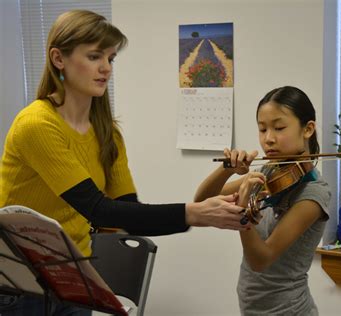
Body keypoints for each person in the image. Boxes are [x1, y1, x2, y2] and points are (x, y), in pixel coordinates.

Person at [0, 10, 247, 316]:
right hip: (20, 285)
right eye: (93, 56)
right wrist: (194, 214)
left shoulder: (107, 132)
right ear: (58, 59)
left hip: (71, 279)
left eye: (111, 58)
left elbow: (126, 212)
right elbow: (97, 209)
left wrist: (205, 207)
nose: (105, 68)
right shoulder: (36, 125)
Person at [195, 86, 331, 315]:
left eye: (279, 128)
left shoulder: (313, 194)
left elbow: (261, 260)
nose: (268, 139)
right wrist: (228, 169)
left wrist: (242, 213)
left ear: (308, 129)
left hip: (288, 310)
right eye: (262, 129)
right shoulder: (271, 172)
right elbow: (201, 201)